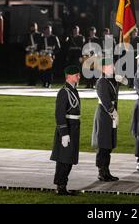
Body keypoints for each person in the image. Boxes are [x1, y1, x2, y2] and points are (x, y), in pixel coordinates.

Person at [92, 58, 128, 181]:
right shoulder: (101, 81)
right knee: (103, 144)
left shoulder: (109, 80)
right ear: (103, 68)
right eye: (111, 66)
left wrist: (121, 80)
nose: (113, 68)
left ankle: (106, 171)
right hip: (104, 114)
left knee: (108, 144)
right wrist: (113, 113)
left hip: (110, 113)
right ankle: (101, 171)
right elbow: (106, 101)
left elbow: (127, 83)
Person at [50, 65, 81, 196]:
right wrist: (64, 133)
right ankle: (60, 186)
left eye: (78, 74)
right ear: (68, 76)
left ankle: (63, 185)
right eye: (76, 75)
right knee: (63, 159)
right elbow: (59, 114)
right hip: (67, 128)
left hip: (74, 127)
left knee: (69, 158)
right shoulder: (64, 92)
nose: (79, 77)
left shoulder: (73, 90)